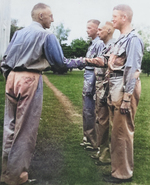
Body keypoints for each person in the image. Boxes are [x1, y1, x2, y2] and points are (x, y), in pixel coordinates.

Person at [0, 3, 81, 185]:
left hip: (12, 77)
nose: (53, 19)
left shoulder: (19, 33)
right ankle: (17, 177)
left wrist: (10, 76)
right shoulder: (46, 35)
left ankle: (5, 173)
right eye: (50, 15)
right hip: (30, 78)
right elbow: (59, 63)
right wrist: (81, 62)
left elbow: (5, 61)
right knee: (25, 130)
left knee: (9, 127)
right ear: (41, 16)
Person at [85, 4, 144, 183]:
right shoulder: (121, 39)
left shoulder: (133, 39)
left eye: (115, 16)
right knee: (117, 132)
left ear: (124, 17)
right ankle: (117, 169)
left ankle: (123, 174)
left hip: (124, 88)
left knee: (122, 132)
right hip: (115, 85)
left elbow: (133, 69)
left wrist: (127, 98)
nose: (113, 19)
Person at [91, 22, 115, 164]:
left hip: (106, 86)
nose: (97, 32)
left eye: (100, 29)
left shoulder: (112, 46)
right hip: (99, 85)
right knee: (100, 119)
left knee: (104, 119)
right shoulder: (104, 46)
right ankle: (101, 150)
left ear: (109, 30)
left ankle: (106, 155)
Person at [80, 20, 105, 149]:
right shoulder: (93, 44)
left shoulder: (100, 44)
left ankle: (94, 142)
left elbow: (99, 65)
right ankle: (88, 138)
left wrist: (95, 84)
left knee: (91, 110)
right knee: (87, 110)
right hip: (88, 80)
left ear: (97, 29)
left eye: (90, 28)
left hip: (93, 81)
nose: (87, 30)